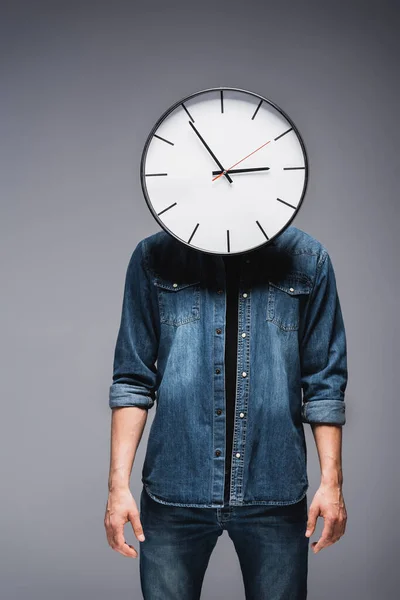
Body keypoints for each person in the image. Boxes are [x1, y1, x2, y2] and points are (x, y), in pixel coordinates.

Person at [104, 225, 348, 600]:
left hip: (274, 490)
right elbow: (133, 380)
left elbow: (324, 382)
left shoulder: (307, 258)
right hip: (175, 490)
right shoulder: (154, 256)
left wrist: (332, 484)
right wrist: (117, 487)